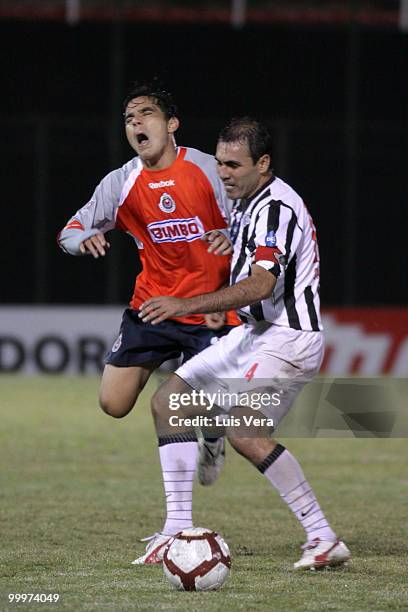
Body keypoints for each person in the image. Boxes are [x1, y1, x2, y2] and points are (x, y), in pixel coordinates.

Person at [138, 117, 351, 570]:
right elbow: (248, 277)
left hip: (289, 340)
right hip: (254, 334)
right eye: (220, 163)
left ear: (264, 163)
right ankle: (175, 529)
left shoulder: (277, 208)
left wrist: (186, 303)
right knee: (168, 402)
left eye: (234, 164)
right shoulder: (246, 201)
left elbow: (259, 285)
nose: (224, 173)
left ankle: (323, 536)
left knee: (245, 433)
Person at [57, 82, 240, 560]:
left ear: (172, 123)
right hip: (153, 308)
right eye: (128, 118)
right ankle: (212, 425)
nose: (136, 123)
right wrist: (82, 241)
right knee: (113, 403)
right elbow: (70, 230)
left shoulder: (206, 169)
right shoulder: (121, 182)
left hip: (210, 311)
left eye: (146, 114)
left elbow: (253, 225)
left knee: (179, 403)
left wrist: (230, 238)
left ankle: (188, 495)